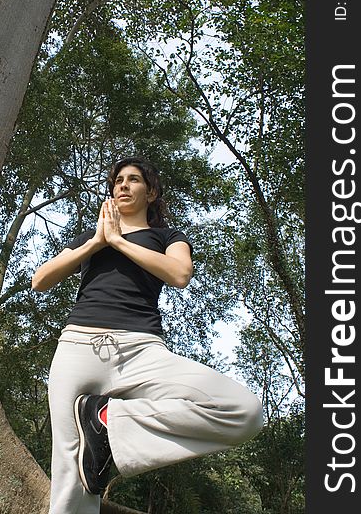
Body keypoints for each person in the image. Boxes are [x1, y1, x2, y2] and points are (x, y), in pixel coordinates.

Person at [32, 156, 263, 514]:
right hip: (77, 347)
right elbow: (40, 280)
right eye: (117, 181)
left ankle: (107, 421)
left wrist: (120, 242)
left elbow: (179, 273)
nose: (122, 185)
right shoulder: (89, 238)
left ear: (151, 192)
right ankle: (98, 427)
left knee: (244, 412)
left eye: (133, 180)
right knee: (73, 479)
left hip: (141, 350)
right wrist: (97, 242)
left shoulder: (167, 236)